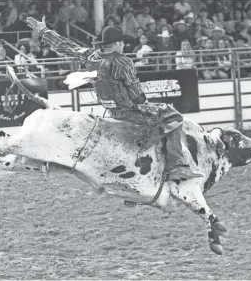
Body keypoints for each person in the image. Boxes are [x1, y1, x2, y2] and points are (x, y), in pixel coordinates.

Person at [26, 16, 203, 180]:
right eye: (122, 42)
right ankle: (175, 164)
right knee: (173, 117)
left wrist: (44, 32)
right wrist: (145, 104)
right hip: (128, 111)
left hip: (111, 111)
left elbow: (66, 46)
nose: (124, 45)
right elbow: (136, 93)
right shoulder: (123, 62)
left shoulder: (90, 55)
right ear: (117, 43)